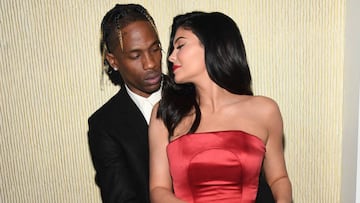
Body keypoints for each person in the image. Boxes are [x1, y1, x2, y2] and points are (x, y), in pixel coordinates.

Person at [149, 11, 292, 203]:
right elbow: (158, 190)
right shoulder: (165, 113)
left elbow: (278, 178)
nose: (172, 57)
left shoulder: (265, 111)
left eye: (180, 46)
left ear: (212, 46)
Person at [87, 4, 162, 203]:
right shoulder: (104, 125)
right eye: (136, 56)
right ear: (113, 61)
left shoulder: (193, 95)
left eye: (155, 49)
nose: (151, 63)